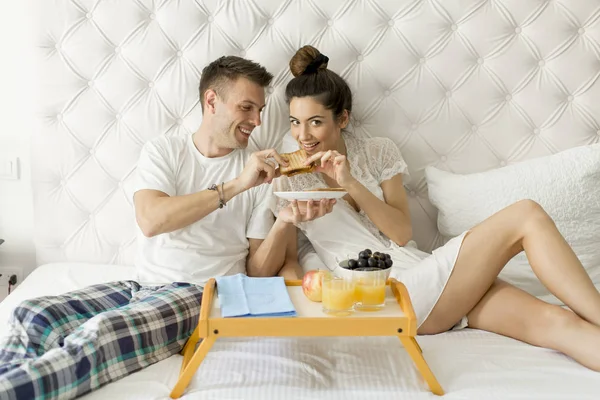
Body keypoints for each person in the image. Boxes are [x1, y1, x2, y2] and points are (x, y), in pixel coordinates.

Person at [0, 55, 335, 400]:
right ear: (211, 101)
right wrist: (236, 184)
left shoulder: (261, 173)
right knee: (34, 313)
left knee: (101, 335)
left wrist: (283, 221)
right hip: (142, 286)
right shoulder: (165, 151)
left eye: (260, 110)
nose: (257, 121)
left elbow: (257, 271)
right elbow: (151, 220)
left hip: (200, 294)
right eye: (247, 108)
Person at [273, 45, 600, 372]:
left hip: (427, 275)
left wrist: (350, 182)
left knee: (556, 322)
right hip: (386, 295)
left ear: (342, 118)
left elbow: (401, 234)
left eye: (315, 122)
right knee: (527, 215)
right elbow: (286, 262)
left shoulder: (377, 152)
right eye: (295, 122)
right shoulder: (286, 179)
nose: (303, 135)